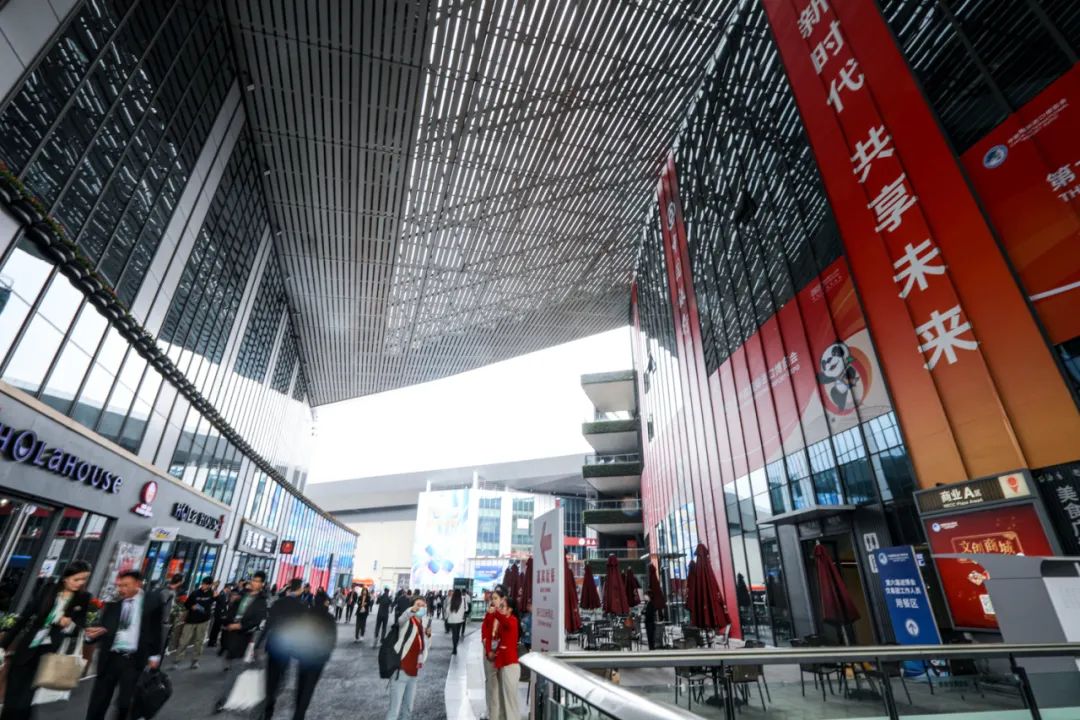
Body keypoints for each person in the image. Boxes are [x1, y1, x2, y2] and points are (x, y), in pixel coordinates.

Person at [0, 560, 91, 719]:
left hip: (48, 652)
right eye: (76, 579)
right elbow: (24, 617)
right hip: (27, 647)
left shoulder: (83, 598)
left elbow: (80, 627)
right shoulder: (49, 589)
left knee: (26, 697)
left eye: (84, 579)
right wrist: (3, 645)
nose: (80, 583)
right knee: (12, 693)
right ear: (66, 578)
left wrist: (69, 624)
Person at [84, 570, 166, 720]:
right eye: (119, 585)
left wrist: (155, 655)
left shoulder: (152, 601)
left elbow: (156, 630)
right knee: (98, 701)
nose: (121, 589)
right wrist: (90, 637)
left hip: (133, 660)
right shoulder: (112, 604)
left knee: (125, 703)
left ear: (138, 584)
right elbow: (102, 629)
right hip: (110, 658)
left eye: (126, 585)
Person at [385, 597, 430, 720]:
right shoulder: (407, 622)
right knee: (394, 711)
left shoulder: (422, 626)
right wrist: (411, 610)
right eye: (418, 604)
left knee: (408, 709)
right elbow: (400, 620)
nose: (421, 607)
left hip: (414, 673)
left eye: (423, 605)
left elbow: (424, 650)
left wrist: (428, 635)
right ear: (412, 606)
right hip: (401, 671)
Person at [221, 571, 268, 671]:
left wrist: (241, 626)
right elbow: (233, 608)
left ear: (262, 584)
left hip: (245, 633)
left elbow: (257, 619)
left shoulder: (262, 600)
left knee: (238, 661)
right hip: (233, 628)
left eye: (257, 581)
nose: (253, 583)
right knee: (229, 651)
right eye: (253, 580)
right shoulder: (243, 594)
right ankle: (229, 662)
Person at [489, 589, 520, 720]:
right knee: (503, 697)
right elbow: (499, 639)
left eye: (503, 606)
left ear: (510, 609)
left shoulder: (512, 620)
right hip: (503, 662)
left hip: (510, 664)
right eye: (500, 606)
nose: (500, 608)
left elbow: (504, 622)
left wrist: (496, 612)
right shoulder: (504, 621)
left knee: (510, 700)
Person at [174, 576, 215, 669]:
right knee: (184, 641)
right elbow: (186, 604)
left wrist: (217, 596)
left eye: (205, 584)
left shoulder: (212, 594)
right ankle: (177, 660)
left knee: (199, 641)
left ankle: (195, 661)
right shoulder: (195, 593)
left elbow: (219, 602)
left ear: (210, 585)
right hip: (191, 620)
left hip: (203, 621)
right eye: (203, 583)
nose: (203, 585)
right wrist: (191, 606)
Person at [480, 593, 500, 720]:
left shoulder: (503, 614)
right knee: (489, 681)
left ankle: (494, 714)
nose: (493, 601)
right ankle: (489, 711)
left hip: (497, 653)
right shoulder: (490, 613)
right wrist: (484, 641)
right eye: (492, 598)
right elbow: (485, 628)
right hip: (488, 650)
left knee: (494, 685)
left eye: (496, 598)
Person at [161, 573, 184, 655]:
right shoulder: (168, 591)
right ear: (180, 582)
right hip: (164, 618)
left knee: (167, 635)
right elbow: (163, 603)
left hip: (167, 617)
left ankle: (164, 649)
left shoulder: (172, 590)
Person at [208, 582, 230, 648]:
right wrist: (224, 614)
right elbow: (222, 605)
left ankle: (212, 641)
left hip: (219, 614)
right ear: (227, 588)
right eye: (229, 589)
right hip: (219, 615)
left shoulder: (224, 594)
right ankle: (212, 641)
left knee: (216, 628)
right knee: (216, 629)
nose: (229, 590)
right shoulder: (222, 594)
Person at [445, 588, 466, 656]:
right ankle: (455, 646)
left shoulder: (451, 599)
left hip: (452, 619)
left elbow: (447, 610)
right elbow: (466, 609)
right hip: (460, 619)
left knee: (454, 634)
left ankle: (454, 648)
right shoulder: (463, 599)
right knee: (457, 633)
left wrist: (446, 616)